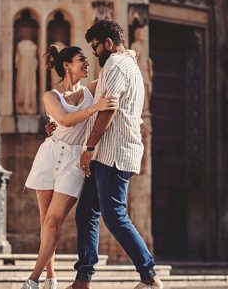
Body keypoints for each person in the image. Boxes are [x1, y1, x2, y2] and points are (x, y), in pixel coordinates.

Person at [67, 19, 163, 289]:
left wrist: (89, 147)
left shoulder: (115, 64)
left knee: (114, 215)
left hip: (113, 153)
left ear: (108, 43)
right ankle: (82, 279)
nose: (94, 52)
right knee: (86, 212)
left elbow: (108, 108)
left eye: (95, 46)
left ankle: (149, 275)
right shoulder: (128, 64)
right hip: (112, 154)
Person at [20, 45, 118, 289]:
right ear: (67, 65)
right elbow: (63, 119)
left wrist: (127, 53)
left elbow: (110, 74)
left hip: (73, 163)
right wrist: (96, 107)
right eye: (81, 59)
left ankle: (32, 280)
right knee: (46, 224)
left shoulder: (90, 91)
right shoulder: (50, 96)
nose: (86, 63)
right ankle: (51, 278)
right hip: (49, 157)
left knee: (54, 221)